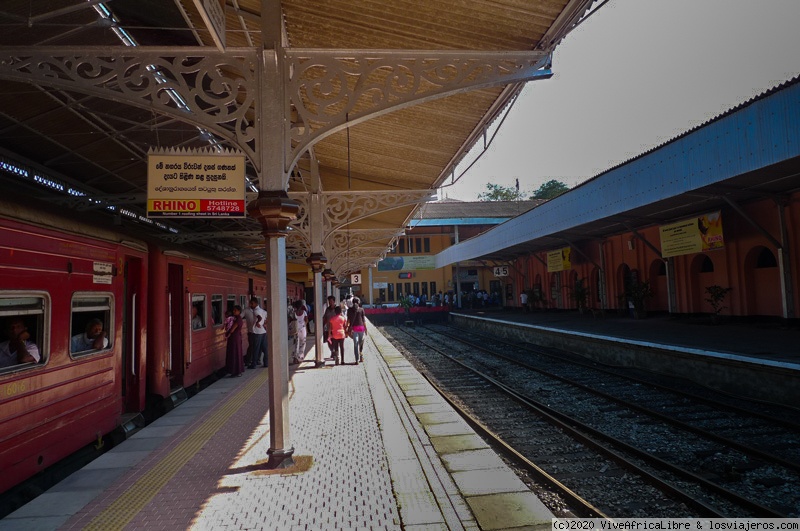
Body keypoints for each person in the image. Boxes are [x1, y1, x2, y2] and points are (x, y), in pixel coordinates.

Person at [244, 297, 267, 369]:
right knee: (265, 348)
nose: (251, 305)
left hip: (257, 332)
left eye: (252, 303)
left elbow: (259, 317)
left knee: (255, 349)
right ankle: (266, 363)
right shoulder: (263, 311)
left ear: (256, 303)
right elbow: (266, 319)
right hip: (263, 332)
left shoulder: (255, 311)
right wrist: (263, 324)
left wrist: (257, 322)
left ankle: (253, 364)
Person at [224, 305, 244, 377]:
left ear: (239, 311)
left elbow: (232, 329)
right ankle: (237, 371)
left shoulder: (238, 319)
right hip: (236, 338)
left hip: (234, 338)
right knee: (236, 353)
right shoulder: (237, 318)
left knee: (234, 353)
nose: (234, 311)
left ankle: (236, 371)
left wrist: (228, 335)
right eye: (233, 310)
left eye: (235, 310)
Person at [346, 297, 367, 364]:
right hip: (361, 328)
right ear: (358, 302)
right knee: (360, 343)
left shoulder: (349, 310)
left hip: (353, 329)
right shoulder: (361, 309)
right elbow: (363, 320)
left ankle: (357, 359)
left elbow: (348, 320)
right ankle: (360, 354)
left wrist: (346, 328)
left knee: (356, 344)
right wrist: (366, 329)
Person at [290, 300, 308, 365]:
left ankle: (295, 357)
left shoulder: (294, 313)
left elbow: (291, 320)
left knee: (296, 344)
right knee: (303, 343)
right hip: (303, 329)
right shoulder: (304, 312)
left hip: (296, 330)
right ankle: (300, 356)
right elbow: (306, 320)